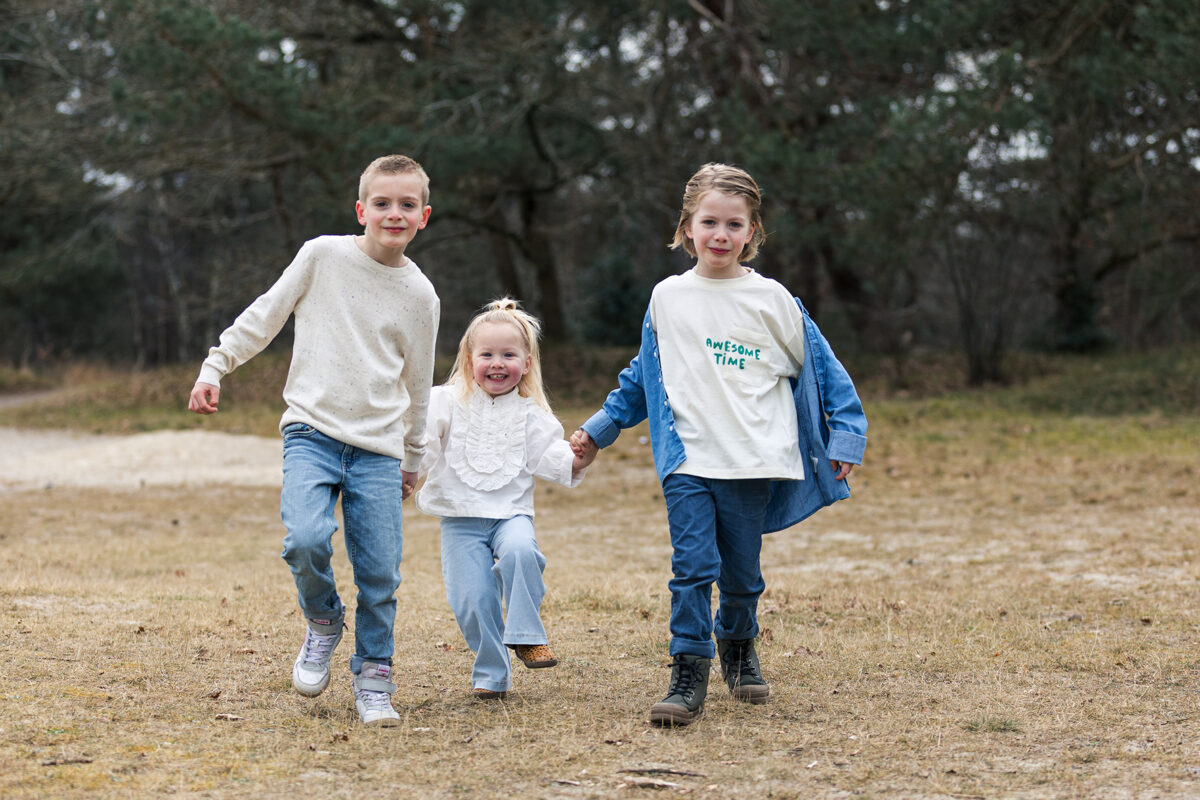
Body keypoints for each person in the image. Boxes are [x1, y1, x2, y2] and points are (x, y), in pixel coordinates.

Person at [569, 163, 867, 727]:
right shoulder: (667, 298)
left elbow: (825, 371)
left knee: (741, 572)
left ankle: (737, 646)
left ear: (753, 232)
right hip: (688, 458)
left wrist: (846, 432)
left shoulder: (773, 300)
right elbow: (642, 376)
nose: (721, 235)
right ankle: (688, 669)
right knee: (692, 566)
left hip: (753, 458)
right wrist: (598, 430)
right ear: (686, 227)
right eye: (709, 222)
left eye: (735, 224)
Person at [187, 154, 440, 727]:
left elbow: (419, 382)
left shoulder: (421, 295)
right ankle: (324, 619)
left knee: (380, 573)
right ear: (361, 210)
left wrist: (415, 454)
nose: (393, 213)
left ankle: (374, 678)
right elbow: (266, 314)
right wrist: (215, 365)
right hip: (311, 432)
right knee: (304, 539)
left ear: (423, 216)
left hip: (378, 448)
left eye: (406, 205)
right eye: (381, 203)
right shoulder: (322, 255)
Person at [415, 298, 589, 701]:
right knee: (472, 601)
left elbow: (553, 459)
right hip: (459, 518)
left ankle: (527, 635)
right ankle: (492, 672)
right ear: (468, 358)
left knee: (521, 553)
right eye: (487, 354)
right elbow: (422, 445)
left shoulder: (532, 414)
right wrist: (407, 473)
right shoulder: (445, 401)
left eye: (509, 355)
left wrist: (582, 454)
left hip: (510, 515)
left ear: (526, 364)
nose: (497, 363)